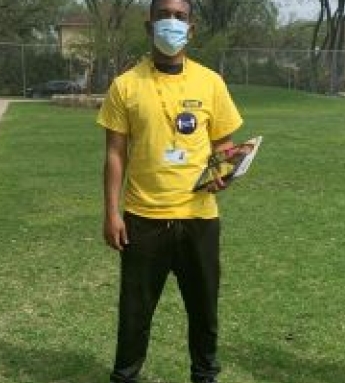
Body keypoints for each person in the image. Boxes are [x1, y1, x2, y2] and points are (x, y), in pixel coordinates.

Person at [97, 0, 243, 382]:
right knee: (135, 311)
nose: (171, 23)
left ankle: (205, 374)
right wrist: (112, 212)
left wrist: (226, 171)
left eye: (180, 17)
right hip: (143, 218)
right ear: (149, 26)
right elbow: (115, 154)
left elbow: (224, 146)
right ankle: (125, 375)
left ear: (191, 29)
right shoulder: (125, 85)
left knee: (204, 310)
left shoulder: (210, 82)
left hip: (199, 217)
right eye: (163, 15)